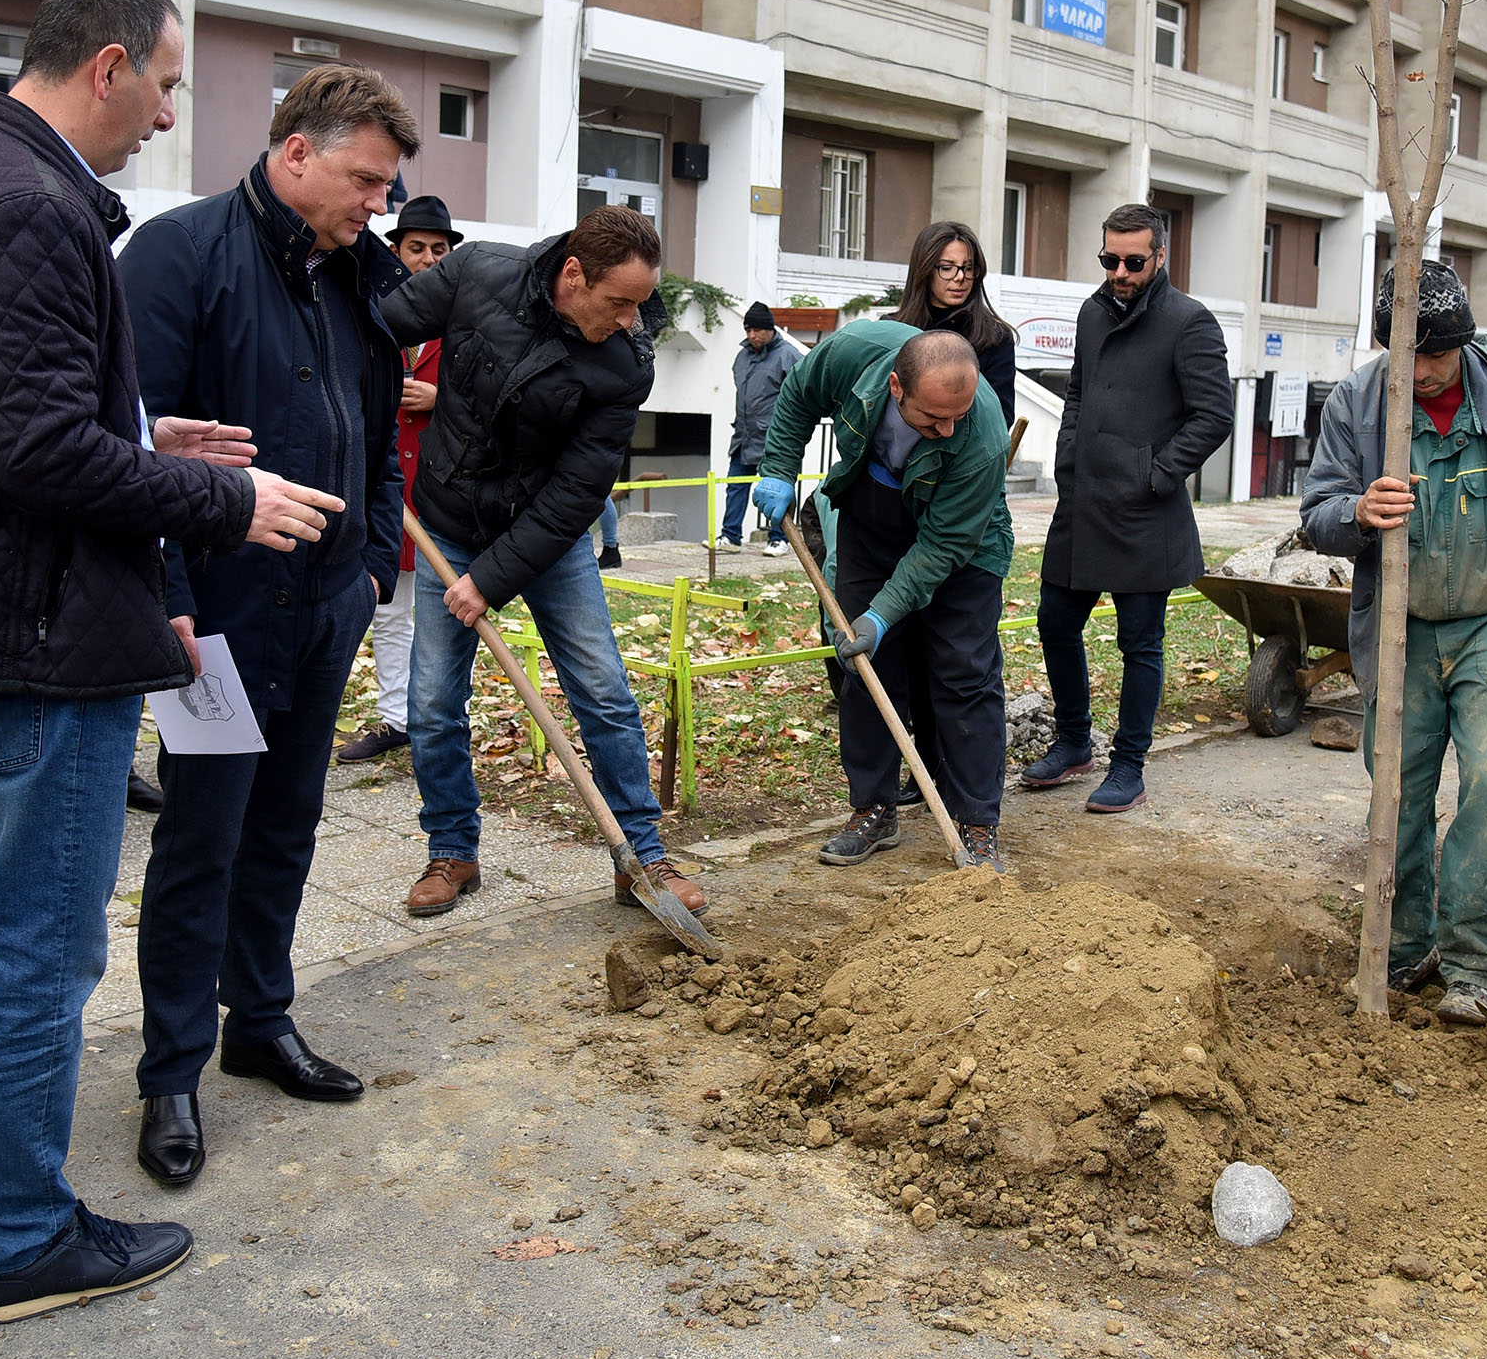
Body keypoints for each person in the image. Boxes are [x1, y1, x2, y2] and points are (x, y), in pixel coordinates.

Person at [0, 0, 344, 1323]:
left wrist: (147, 436)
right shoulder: (31, 200)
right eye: (169, 83)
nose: (171, 115)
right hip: (38, 638)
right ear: (109, 65)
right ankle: (17, 1232)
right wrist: (226, 498)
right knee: (38, 953)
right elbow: (38, 449)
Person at [118, 66, 418, 1187]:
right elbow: (129, 444)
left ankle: (261, 1020)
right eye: (364, 180)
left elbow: (379, 425)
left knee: (288, 823)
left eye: (386, 188)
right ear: (296, 151)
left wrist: (375, 563)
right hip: (217, 613)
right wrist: (169, 600)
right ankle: (169, 1070)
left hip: (326, 603)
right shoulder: (177, 253)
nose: (377, 207)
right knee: (201, 838)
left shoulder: (352, 275)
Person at [382, 206, 708, 920]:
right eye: (618, 301)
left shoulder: (624, 366)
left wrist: (490, 580)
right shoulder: (476, 274)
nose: (630, 319)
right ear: (571, 273)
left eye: (641, 304)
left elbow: (575, 495)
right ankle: (452, 850)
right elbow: (376, 329)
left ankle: (643, 857)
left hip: (546, 539)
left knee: (604, 693)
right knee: (432, 702)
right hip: (446, 519)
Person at [1302, 261, 1487, 1025]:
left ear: (1461, 343)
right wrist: (1358, 510)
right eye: (1407, 356)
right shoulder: (1360, 402)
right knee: (1395, 794)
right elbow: (1316, 508)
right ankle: (1403, 944)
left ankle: (1475, 965)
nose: (1421, 372)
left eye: (1435, 356)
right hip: (1401, 628)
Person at [752, 325, 1015, 868]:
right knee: (865, 668)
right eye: (933, 418)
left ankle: (977, 822)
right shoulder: (855, 355)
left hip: (962, 543)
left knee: (965, 674)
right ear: (896, 387)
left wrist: (882, 613)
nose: (946, 429)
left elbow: (943, 546)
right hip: (872, 517)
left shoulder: (981, 432)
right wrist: (778, 468)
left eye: (956, 417)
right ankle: (874, 808)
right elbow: (799, 393)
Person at [1022, 203, 1233, 812]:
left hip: (1146, 511)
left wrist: (1157, 475)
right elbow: (1079, 393)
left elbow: (1214, 415)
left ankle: (1129, 766)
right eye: (1109, 259)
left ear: (1159, 257)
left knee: (1140, 644)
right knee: (1056, 623)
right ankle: (1072, 743)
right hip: (1083, 503)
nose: (1119, 271)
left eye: (1133, 261)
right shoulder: (1092, 312)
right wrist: (1068, 459)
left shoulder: (1190, 322)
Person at [338, 194, 463, 764]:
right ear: (396, 250)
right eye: (417, 249)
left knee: (440, 618)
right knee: (386, 609)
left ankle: (438, 719)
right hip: (382, 487)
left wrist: (443, 399)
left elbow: (492, 399)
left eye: (439, 250)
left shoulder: (463, 321)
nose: (428, 260)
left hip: (438, 491)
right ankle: (396, 718)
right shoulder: (373, 309)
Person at [894, 220, 1018, 426]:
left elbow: (1001, 417)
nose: (960, 277)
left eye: (968, 268)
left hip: (966, 456)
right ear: (924, 270)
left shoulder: (995, 337)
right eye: (947, 268)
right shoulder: (894, 330)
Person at [720, 301, 799, 556]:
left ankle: (779, 539)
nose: (752, 335)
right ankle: (731, 536)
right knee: (735, 485)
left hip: (774, 440)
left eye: (757, 330)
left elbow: (800, 396)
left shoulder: (788, 355)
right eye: (748, 330)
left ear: (770, 329)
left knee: (777, 490)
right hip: (744, 436)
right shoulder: (742, 356)